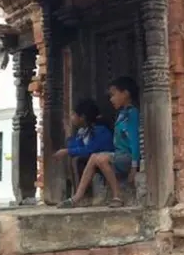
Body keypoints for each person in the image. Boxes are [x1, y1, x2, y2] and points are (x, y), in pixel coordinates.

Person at [57, 76, 140, 208]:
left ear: (125, 93)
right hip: (119, 156)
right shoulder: (121, 114)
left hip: (128, 157)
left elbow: (135, 141)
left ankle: (117, 195)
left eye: (113, 95)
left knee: (99, 158)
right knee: (94, 157)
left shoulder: (132, 114)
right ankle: (76, 197)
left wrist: (134, 167)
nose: (111, 99)